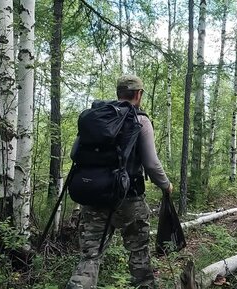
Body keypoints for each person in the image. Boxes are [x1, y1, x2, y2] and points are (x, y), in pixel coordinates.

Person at [66, 75, 173, 289]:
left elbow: (73, 154)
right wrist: (166, 185)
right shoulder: (140, 120)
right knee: (138, 253)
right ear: (138, 94)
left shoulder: (97, 119)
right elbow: (151, 164)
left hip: (94, 196)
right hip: (129, 199)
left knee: (90, 256)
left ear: (119, 93)